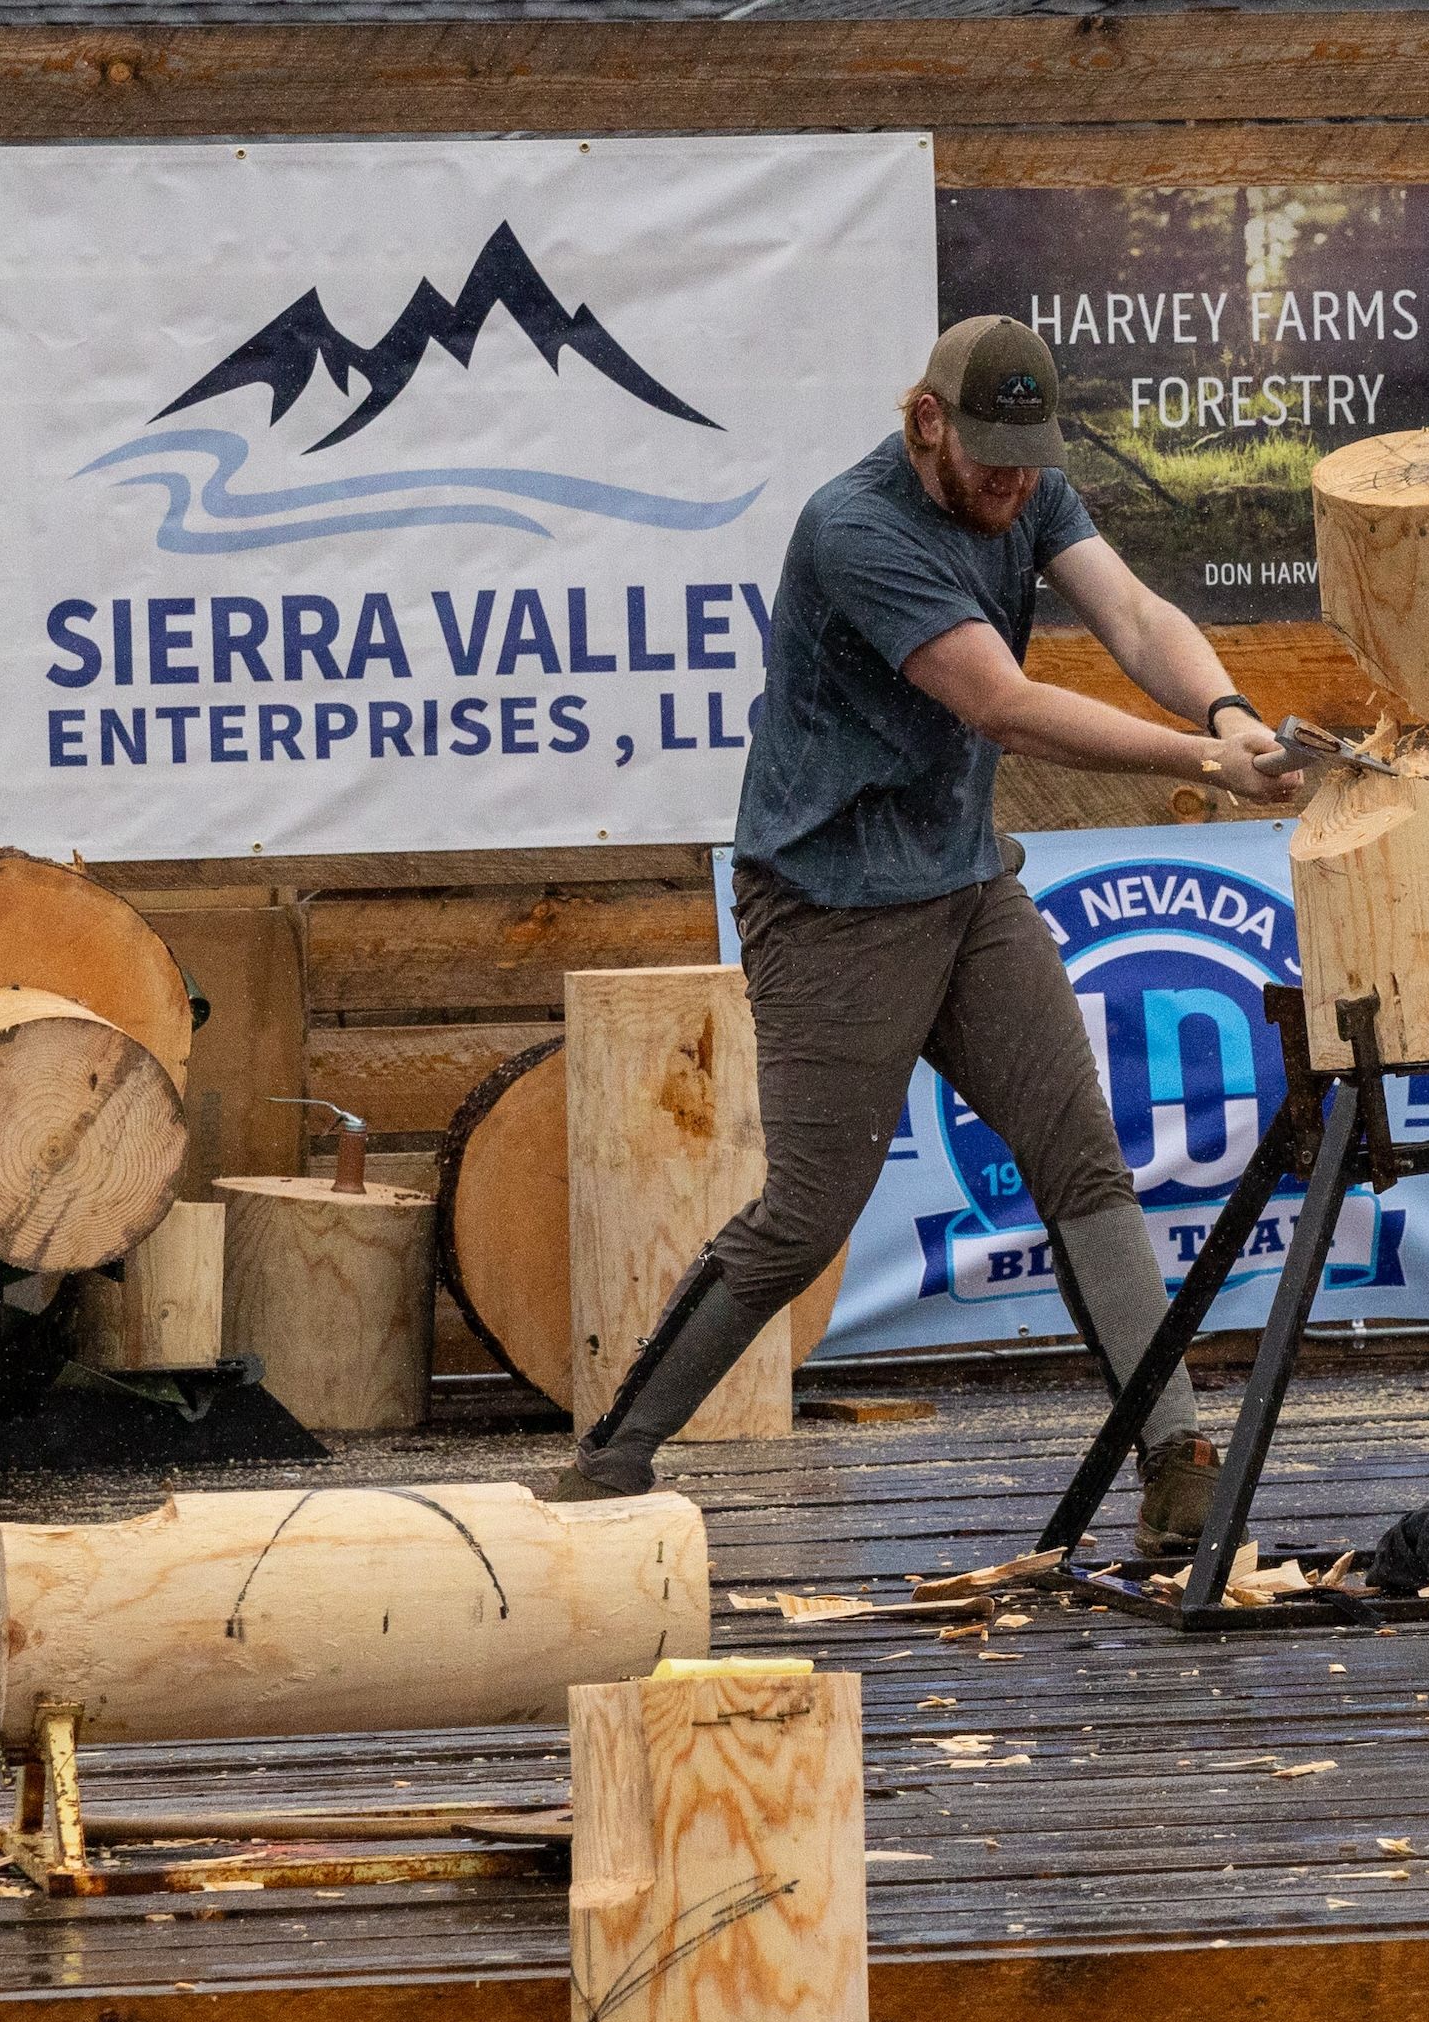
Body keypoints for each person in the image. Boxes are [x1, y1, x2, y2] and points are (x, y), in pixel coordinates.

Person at [554, 316, 1302, 1553]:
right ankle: (608, 1467)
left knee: (1083, 1161)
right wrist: (1198, 760)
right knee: (807, 1212)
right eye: (989, 462)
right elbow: (1003, 705)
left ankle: (1177, 1466)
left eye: (1029, 463)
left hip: (963, 887)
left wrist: (1223, 702)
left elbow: (1132, 613)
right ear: (923, 423)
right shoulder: (854, 529)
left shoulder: (1028, 483)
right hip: (835, 905)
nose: (1013, 487)